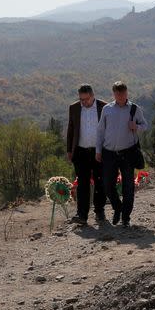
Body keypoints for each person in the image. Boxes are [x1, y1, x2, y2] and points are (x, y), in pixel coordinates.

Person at [95, 81, 148, 227]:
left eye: (123, 93)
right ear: (114, 94)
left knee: (128, 186)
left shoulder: (134, 109)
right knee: (107, 185)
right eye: (117, 94)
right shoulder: (107, 109)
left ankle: (125, 217)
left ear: (127, 93)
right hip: (108, 153)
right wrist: (98, 150)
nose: (120, 96)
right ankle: (118, 208)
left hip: (128, 153)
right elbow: (100, 131)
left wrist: (136, 126)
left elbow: (145, 125)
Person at [66, 84, 107, 225]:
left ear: (93, 95)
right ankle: (82, 214)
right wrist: (69, 150)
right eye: (81, 99)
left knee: (100, 181)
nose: (84, 102)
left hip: (99, 151)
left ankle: (100, 211)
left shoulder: (104, 107)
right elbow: (70, 130)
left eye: (87, 99)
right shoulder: (74, 108)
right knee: (82, 184)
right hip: (81, 151)